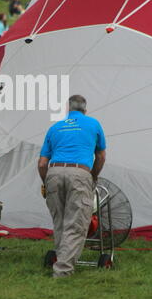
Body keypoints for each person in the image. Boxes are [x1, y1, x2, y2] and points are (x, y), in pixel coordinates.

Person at [38, 94, 106, 278]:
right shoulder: (93, 124)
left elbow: (42, 163)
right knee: (75, 224)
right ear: (85, 109)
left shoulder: (55, 127)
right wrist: (92, 177)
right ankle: (62, 271)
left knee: (59, 221)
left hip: (53, 172)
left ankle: (61, 260)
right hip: (80, 173)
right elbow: (100, 157)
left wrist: (45, 183)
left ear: (67, 109)